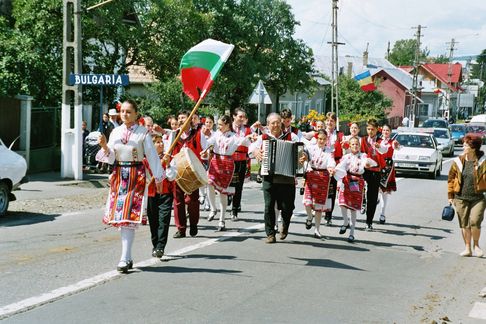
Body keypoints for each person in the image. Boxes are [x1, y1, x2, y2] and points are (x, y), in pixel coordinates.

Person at [96, 99, 165, 273]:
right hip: (120, 175)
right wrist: (104, 146)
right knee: (120, 216)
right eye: (123, 111)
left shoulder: (143, 133)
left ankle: (125, 258)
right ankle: (127, 257)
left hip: (136, 176)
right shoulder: (115, 132)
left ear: (136, 114)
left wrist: (158, 177)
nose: (125, 114)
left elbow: (151, 155)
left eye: (128, 111)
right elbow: (111, 157)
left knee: (129, 216)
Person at [250, 113, 299, 243]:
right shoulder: (263, 138)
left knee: (288, 207)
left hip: (287, 176)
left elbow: (304, 149)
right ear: (268, 124)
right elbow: (251, 148)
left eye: (277, 122)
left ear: (281, 122)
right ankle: (270, 233)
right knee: (269, 205)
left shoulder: (291, 136)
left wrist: (303, 154)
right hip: (269, 176)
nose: (276, 125)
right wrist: (256, 152)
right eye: (272, 123)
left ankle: (285, 225)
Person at [202, 115, 252, 231]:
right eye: (218, 124)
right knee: (209, 183)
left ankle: (222, 219)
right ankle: (213, 209)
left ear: (227, 125)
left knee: (222, 191)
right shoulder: (216, 134)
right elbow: (208, 142)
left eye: (220, 124)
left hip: (227, 163)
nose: (218, 127)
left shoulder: (235, 137)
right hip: (215, 160)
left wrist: (251, 138)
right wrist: (205, 148)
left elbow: (246, 143)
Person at [170, 110, 208, 238]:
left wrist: (205, 155)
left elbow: (207, 151)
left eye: (183, 117)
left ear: (190, 119)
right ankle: (181, 229)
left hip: (192, 173)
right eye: (179, 118)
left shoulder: (198, 134)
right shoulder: (174, 135)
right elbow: (168, 152)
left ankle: (193, 224)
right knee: (178, 201)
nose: (181, 120)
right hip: (177, 171)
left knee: (192, 200)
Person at [447, 134, 486, 257]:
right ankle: (468, 248)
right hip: (461, 198)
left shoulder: (483, 161)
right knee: (464, 224)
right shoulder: (458, 161)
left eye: (466, 144)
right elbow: (451, 179)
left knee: (475, 221)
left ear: (473, 147)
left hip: (478, 198)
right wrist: (450, 195)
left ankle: (476, 245)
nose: (463, 146)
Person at [334, 136, 376, 242]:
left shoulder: (363, 156)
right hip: (346, 180)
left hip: (357, 181)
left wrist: (367, 164)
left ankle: (352, 233)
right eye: (353, 144)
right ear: (350, 145)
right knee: (342, 203)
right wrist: (335, 171)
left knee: (353, 208)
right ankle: (345, 222)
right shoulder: (346, 156)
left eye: (357, 144)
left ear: (359, 145)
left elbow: (368, 162)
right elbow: (340, 166)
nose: (355, 146)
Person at [300, 130, 336, 239]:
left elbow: (331, 161)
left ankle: (317, 230)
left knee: (319, 206)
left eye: (324, 139)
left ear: (327, 140)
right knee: (307, 202)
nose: (321, 141)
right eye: (320, 138)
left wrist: (331, 168)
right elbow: (304, 153)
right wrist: (304, 157)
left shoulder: (329, 151)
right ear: (317, 138)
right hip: (311, 175)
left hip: (323, 178)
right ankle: (310, 217)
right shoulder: (311, 147)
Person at [145, 133, 175, 259]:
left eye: (161, 141)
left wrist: (167, 165)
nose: (161, 144)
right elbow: (144, 178)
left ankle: (160, 247)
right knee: (153, 221)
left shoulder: (169, 158)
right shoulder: (145, 160)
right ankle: (155, 244)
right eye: (157, 142)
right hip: (151, 194)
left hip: (166, 193)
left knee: (164, 219)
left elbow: (172, 176)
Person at [360, 118, 387, 231]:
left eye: (372, 129)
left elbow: (385, 150)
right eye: (368, 129)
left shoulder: (381, 141)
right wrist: (364, 160)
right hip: (365, 169)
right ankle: (363, 202)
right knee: (360, 189)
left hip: (376, 171)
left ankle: (369, 222)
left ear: (377, 130)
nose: (370, 131)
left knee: (372, 196)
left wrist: (379, 147)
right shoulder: (364, 140)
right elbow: (361, 153)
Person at [230, 108, 254, 220]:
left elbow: (251, 144)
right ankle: (229, 196)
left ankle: (234, 210)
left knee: (238, 186)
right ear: (234, 116)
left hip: (242, 160)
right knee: (228, 184)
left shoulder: (247, 130)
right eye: (240, 116)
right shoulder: (228, 128)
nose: (242, 119)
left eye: (243, 117)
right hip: (229, 159)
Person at [323, 112, 344, 226]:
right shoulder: (322, 133)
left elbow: (344, 145)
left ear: (335, 123)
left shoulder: (339, 134)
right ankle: (318, 210)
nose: (329, 122)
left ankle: (328, 216)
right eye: (328, 120)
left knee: (331, 191)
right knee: (322, 189)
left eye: (332, 121)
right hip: (323, 164)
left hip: (334, 165)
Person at [378, 125, 400, 224]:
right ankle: (368, 203)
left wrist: (396, 145)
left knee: (384, 192)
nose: (385, 132)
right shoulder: (377, 140)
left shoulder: (392, 142)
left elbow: (398, 148)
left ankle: (382, 213)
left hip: (387, 167)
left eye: (387, 130)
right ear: (381, 131)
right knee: (372, 188)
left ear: (390, 132)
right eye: (384, 130)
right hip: (377, 165)